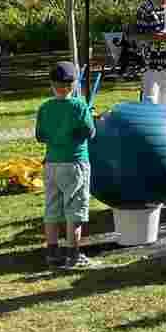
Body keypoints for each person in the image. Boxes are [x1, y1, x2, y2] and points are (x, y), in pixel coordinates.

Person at [35, 61, 98, 268]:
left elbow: (40, 136)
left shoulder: (45, 107)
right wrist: (90, 116)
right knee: (75, 209)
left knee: (52, 209)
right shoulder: (79, 106)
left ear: (52, 84)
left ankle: (52, 253)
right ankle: (73, 254)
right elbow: (90, 132)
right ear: (74, 84)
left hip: (52, 164)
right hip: (75, 164)